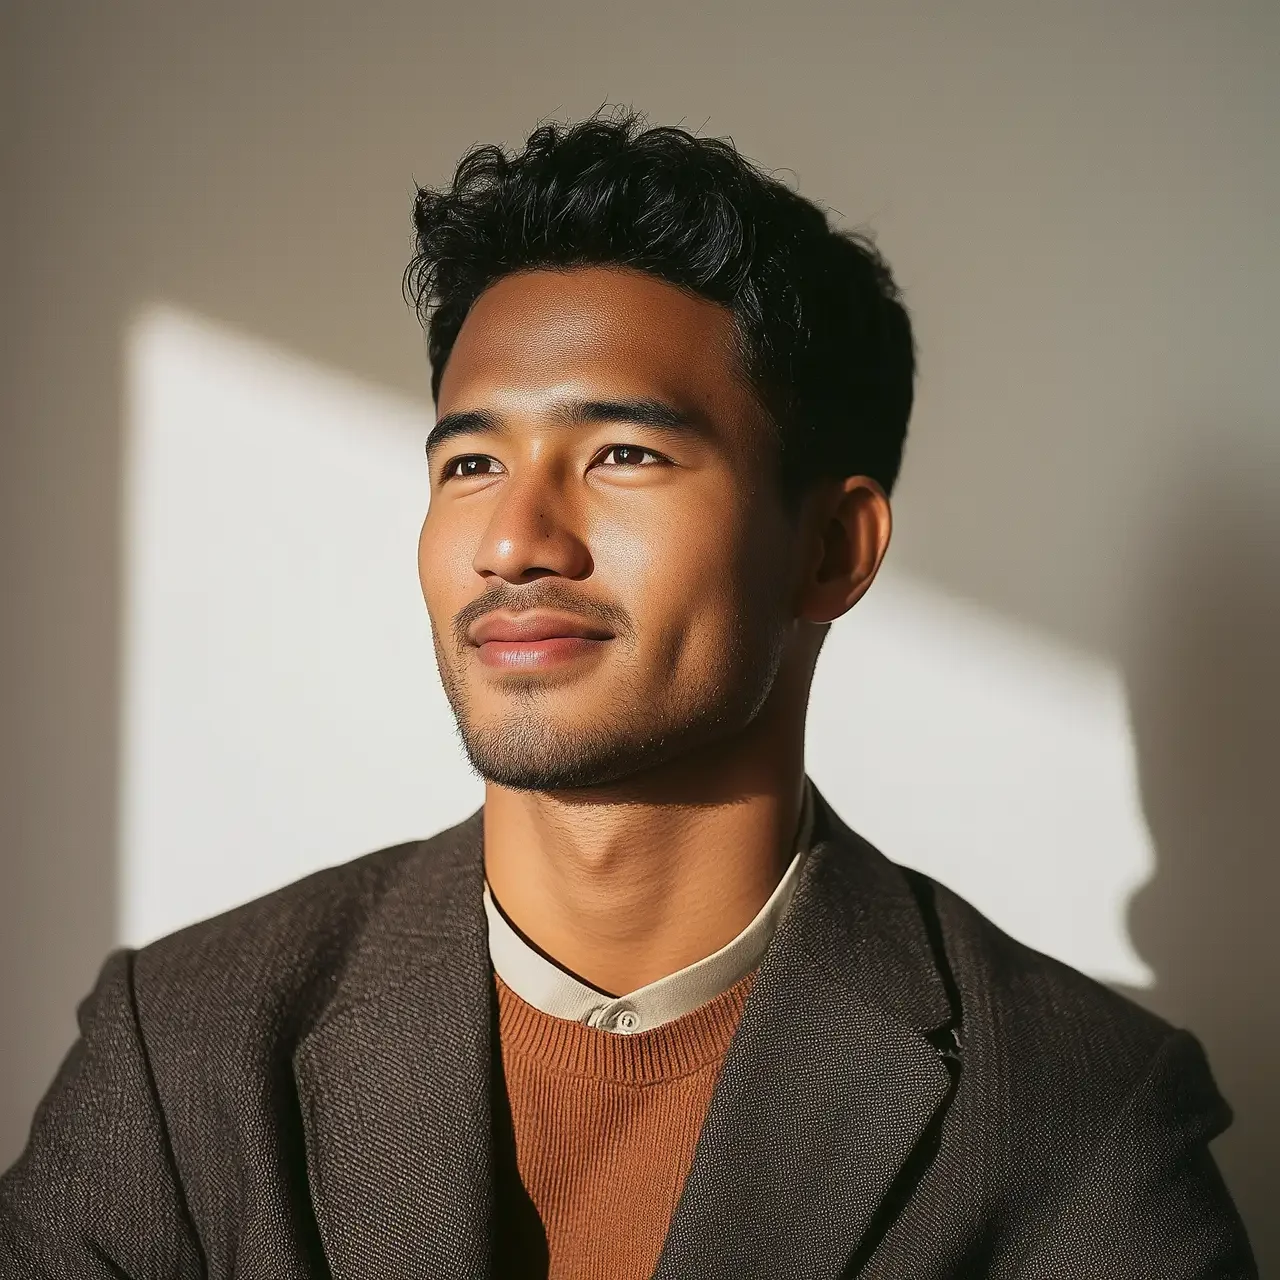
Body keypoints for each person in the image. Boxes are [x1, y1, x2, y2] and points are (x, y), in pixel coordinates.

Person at [0, 112, 1256, 1280]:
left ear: (829, 549)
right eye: (472, 461)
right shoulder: (184, 1052)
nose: (513, 540)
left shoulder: (1074, 1116)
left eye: (622, 454)